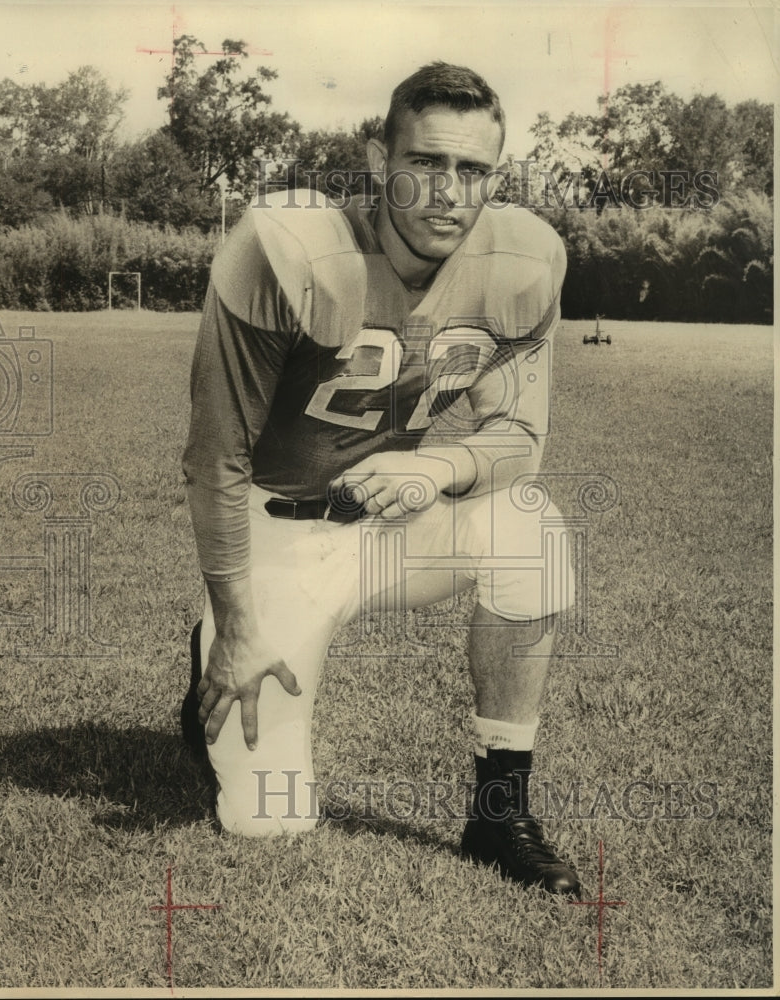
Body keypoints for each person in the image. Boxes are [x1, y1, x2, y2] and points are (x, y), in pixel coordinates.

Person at [181, 62, 580, 896]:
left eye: (472, 171)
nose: (447, 191)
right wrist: (238, 624)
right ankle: (210, 649)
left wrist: (435, 463)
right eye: (426, 163)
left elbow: (519, 436)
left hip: (392, 525)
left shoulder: (519, 260)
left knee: (530, 528)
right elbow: (214, 459)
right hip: (280, 528)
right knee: (270, 817)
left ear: (494, 179)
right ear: (377, 160)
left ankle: (498, 808)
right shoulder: (289, 247)